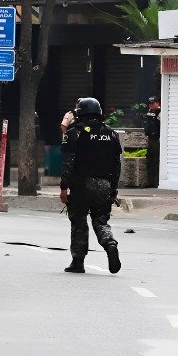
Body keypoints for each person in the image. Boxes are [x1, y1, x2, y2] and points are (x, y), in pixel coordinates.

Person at [59, 97, 123, 274]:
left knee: (79, 223)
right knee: (101, 221)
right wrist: (113, 189)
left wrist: (64, 188)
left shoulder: (74, 134)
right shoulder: (111, 134)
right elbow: (116, 165)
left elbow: (68, 164)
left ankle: (78, 262)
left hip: (81, 186)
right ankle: (110, 243)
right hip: (104, 185)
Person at [143, 97, 161, 188]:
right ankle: (150, 181)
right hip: (150, 139)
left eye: (153, 103)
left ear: (158, 103)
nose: (151, 105)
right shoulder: (149, 113)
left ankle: (155, 182)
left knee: (155, 161)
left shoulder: (160, 113)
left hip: (156, 139)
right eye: (149, 103)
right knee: (149, 161)